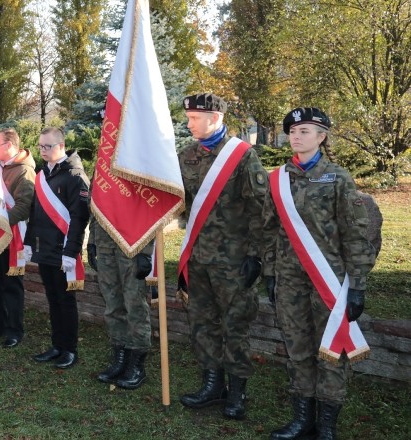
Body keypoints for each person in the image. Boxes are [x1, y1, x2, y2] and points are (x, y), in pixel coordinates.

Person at [262, 108, 375, 440]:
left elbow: (355, 234)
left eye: (305, 131)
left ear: (322, 137)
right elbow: (268, 229)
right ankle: (302, 420)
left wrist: (358, 285)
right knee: (296, 347)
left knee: (331, 351)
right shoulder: (277, 179)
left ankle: (326, 426)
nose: (296, 137)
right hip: (289, 278)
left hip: (329, 281)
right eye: (293, 131)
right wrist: (270, 272)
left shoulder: (338, 178)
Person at [176, 93, 267, 420]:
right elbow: (177, 201)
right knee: (201, 324)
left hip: (233, 261)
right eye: (188, 118)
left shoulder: (242, 156)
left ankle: (237, 393)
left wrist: (256, 257)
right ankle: (211, 385)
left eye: (194, 118)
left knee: (234, 326)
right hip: (198, 259)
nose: (189, 123)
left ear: (214, 117)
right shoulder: (186, 155)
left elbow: (261, 209)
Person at [24, 127, 90, 369]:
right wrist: (29, 242)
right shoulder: (42, 174)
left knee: (66, 300)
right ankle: (57, 345)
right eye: (40, 146)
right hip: (45, 249)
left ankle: (69, 349)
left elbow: (79, 218)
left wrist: (71, 251)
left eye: (48, 146)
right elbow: (34, 213)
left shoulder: (75, 176)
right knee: (52, 299)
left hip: (64, 252)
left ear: (61, 146)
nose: (43, 150)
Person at [87, 218, 154, 389]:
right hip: (105, 245)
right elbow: (95, 207)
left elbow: (147, 210)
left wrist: (145, 251)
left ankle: (136, 366)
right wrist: (92, 240)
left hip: (132, 245)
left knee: (135, 306)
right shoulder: (101, 187)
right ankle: (120, 360)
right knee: (113, 306)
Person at [0, 128, 35, 348]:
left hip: (14, 236)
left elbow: (24, 207)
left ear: (9, 146)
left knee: (12, 285)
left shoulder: (24, 171)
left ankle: (14, 330)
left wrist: (1, 222)